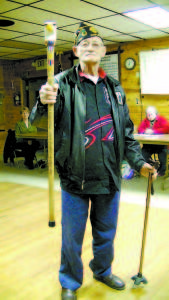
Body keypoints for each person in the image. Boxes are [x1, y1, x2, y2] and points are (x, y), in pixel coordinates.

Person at [39, 22, 156, 300]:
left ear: (103, 51)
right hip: (74, 177)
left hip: (108, 177)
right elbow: (41, 118)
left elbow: (126, 133)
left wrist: (139, 163)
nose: (90, 48)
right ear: (75, 51)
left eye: (96, 44)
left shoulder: (115, 88)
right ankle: (69, 280)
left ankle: (102, 271)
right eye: (84, 45)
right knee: (72, 238)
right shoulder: (61, 83)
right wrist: (43, 101)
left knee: (105, 233)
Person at [138, 106, 169, 176]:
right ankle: (147, 169)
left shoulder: (161, 119)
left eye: (151, 114)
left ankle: (162, 171)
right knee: (142, 155)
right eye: (148, 114)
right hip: (148, 145)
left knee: (163, 156)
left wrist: (153, 131)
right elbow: (139, 129)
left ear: (156, 114)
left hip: (160, 145)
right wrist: (144, 131)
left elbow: (166, 129)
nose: (149, 116)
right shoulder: (145, 121)